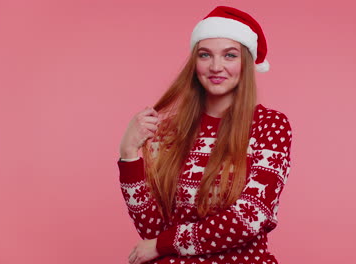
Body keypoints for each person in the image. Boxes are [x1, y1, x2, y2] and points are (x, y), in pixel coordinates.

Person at [117, 6, 292, 264]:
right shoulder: (168, 133)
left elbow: (249, 217)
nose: (216, 66)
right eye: (205, 55)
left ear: (245, 62)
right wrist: (129, 154)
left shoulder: (270, 126)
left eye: (229, 55)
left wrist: (165, 243)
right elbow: (152, 233)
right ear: (194, 62)